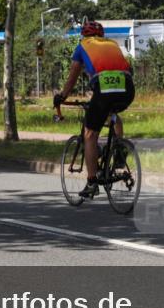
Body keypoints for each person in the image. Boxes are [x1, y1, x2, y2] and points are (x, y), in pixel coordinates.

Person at [54, 20, 135, 199]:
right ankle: (119, 149)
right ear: (101, 35)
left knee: (90, 134)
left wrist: (62, 96)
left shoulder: (82, 46)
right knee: (112, 113)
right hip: (128, 88)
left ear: (84, 35)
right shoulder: (112, 44)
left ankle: (91, 183)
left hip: (104, 90)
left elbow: (73, 74)